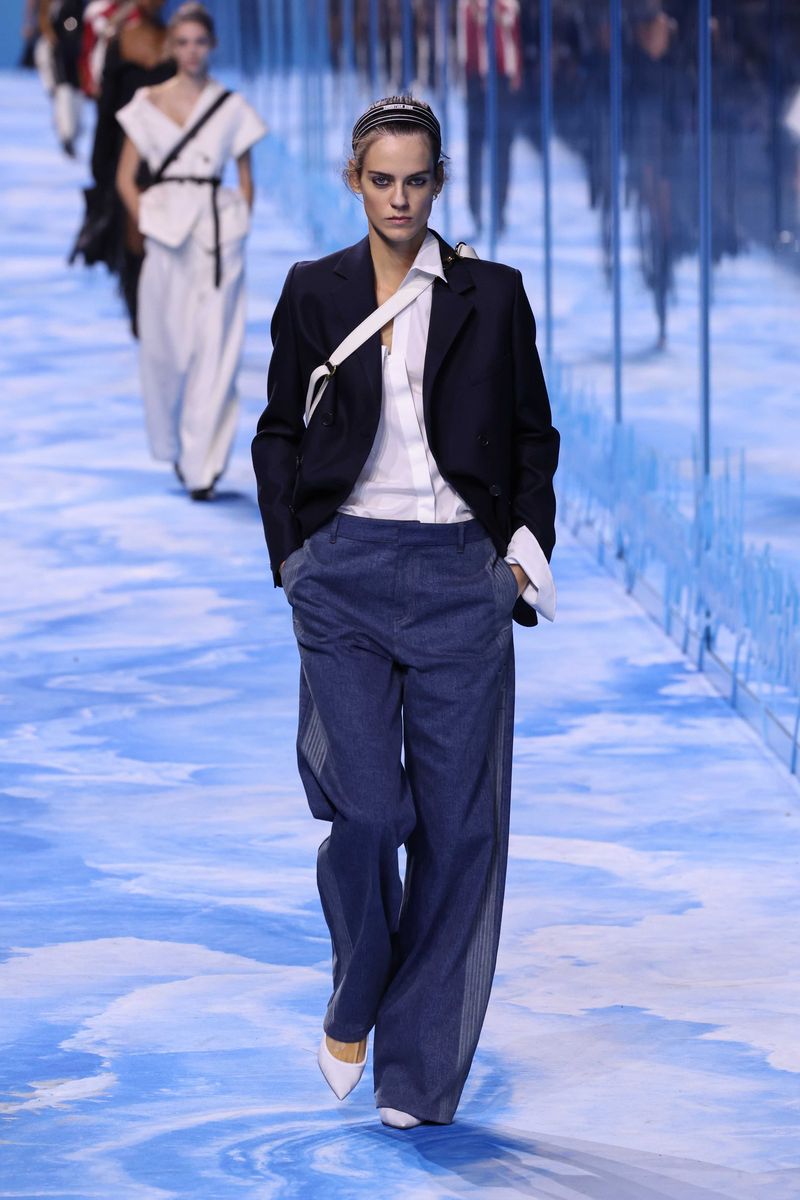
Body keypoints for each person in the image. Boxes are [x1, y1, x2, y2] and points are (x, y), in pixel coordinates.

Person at [252, 96, 559, 1127]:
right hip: (340, 573)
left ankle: (416, 1075)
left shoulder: (493, 295)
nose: (398, 197)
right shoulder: (312, 292)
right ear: (354, 179)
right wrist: (293, 557)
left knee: (459, 833)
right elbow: (276, 435)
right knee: (368, 813)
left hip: (456, 577)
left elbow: (530, 440)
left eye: (415, 179)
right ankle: (355, 987)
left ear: (438, 181)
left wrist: (516, 564)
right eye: (380, 179)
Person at [115, 2, 266, 500]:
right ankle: (181, 444)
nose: (192, 51)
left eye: (200, 42)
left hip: (218, 234)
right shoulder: (146, 102)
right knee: (167, 348)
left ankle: (204, 462)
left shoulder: (230, 106)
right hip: (166, 233)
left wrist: (238, 225)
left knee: (216, 346)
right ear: (170, 47)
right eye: (182, 42)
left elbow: (245, 177)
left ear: (212, 46)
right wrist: (147, 220)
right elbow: (124, 176)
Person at [71, 0, 175, 333]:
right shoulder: (119, 39)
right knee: (134, 228)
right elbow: (107, 108)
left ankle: (163, 307)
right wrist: (100, 165)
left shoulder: (179, 40)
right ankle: (138, 306)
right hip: (128, 150)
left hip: (170, 152)